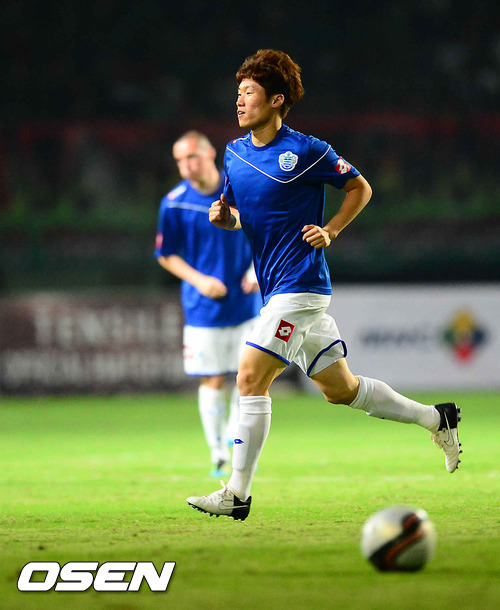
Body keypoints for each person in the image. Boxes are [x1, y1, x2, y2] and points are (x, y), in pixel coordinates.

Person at [186, 50, 463, 520]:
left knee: (250, 377)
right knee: (341, 390)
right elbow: (243, 217)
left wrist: (331, 230)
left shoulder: (307, 150)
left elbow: (360, 188)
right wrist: (225, 219)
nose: (239, 101)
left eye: (249, 92)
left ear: (276, 100)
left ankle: (236, 494)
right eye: (238, 93)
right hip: (277, 290)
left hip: (300, 285)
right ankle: (437, 418)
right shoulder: (233, 153)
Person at [155, 130, 261, 477]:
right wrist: (199, 281)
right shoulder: (174, 202)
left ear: (210, 154)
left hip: (246, 303)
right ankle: (218, 453)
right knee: (212, 379)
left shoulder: (239, 188)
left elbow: (266, 231)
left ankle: (233, 437)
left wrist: (255, 271)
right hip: (203, 308)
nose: (186, 165)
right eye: (180, 160)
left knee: (247, 377)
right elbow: (166, 254)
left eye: (192, 157)